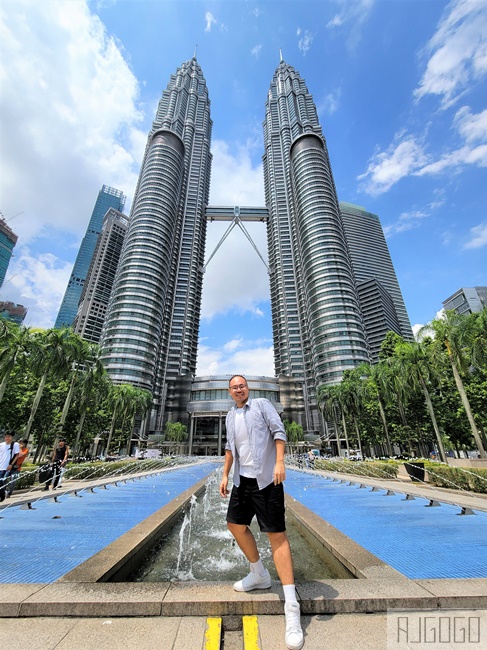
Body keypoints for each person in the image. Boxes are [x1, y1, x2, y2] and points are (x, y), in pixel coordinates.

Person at [219, 375, 304, 650]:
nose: (238, 390)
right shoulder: (230, 416)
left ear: (248, 388)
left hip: (267, 479)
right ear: (230, 392)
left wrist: (280, 462)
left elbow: (279, 433)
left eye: (241, 385)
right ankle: (259, 574)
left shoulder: (262, 405)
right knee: (234, 525)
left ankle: (292, 608)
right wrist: (224, 475)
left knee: (276, 535)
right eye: (234, 387)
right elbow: (230, 449)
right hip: (241, 482)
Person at [0, 432, 20, 502]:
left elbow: (17, 455)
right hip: (0, 465)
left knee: (1, 480)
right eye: (6, 437)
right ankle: (3, 493)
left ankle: (2, 494)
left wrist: (11, 464)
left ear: (12, 437)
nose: (7, 438)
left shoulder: (15, 444)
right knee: (1, 481)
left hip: (6, 467)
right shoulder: (1, 445)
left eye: (8, 436)